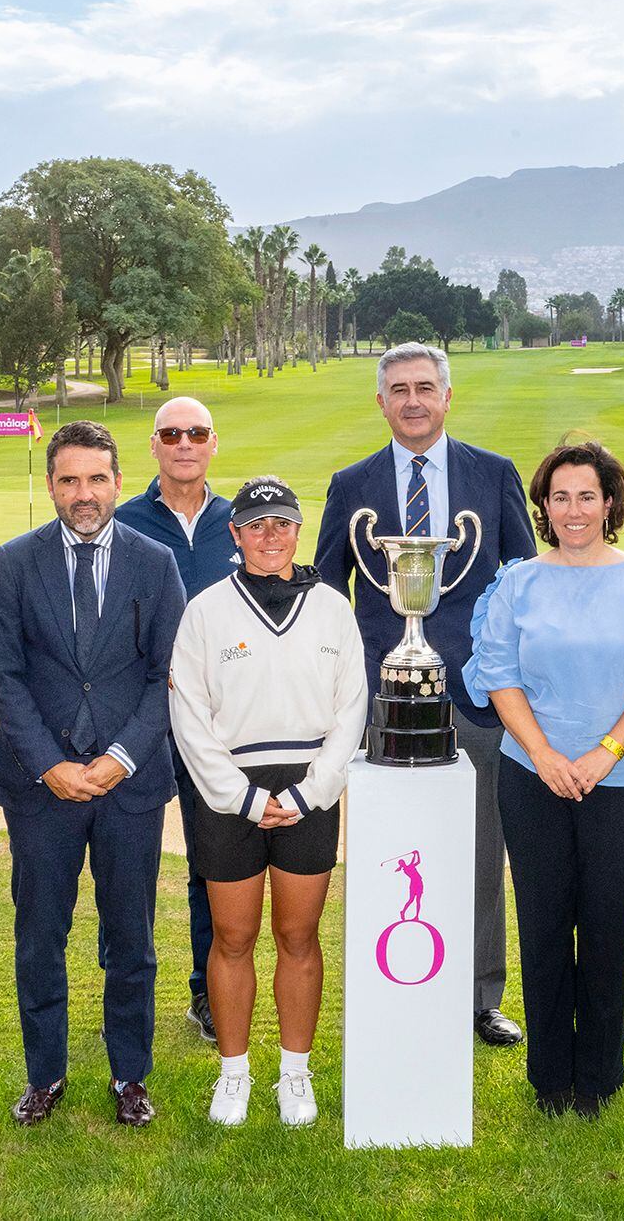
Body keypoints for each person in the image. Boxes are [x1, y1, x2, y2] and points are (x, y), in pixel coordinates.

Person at [315, 341, 539, 1049]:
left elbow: (524, 583)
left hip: (475, 697)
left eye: (424, 387)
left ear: (447, 395)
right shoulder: (350, 484)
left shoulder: (493, 474)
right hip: (381, 699)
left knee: (478, 845)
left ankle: (479, 995)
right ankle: (389, 977)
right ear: (380, 401)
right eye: (398, 389)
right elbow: (326, 590)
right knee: (386, 844)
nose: (412, 400)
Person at [0, 420, 187, 1129]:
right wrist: (52, 766)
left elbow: (168, 674)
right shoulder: (14, 561)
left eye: (97, 478)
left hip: (131, 784)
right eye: (68, 480)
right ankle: (46, 1075)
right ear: (51, 486)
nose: (84, 493)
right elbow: (3, 676)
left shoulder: (154, 562)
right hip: (41, 787)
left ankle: (130, 1074)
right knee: (41, 935)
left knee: (130, 937)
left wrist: (119, 758)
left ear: (119, 482)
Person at [465, 441, 624, 1119]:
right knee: (543, 921)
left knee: (606, 923)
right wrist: (548, 756)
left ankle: (598, 1077)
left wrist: (604, 753)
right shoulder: (517, 583)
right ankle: (550, 1076)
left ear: (610, 502)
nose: (574, 509)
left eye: (587, 495)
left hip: (619, 780)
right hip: (532, 778)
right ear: (544, 507)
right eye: (560, 497)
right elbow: (498, 674)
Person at [168, 476, 368, 1127]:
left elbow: (352, 709)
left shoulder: (334, 608)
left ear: (299, 529)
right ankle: (234, 1076)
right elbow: (189, 715)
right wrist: (243, 797)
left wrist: (312, 791)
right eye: (256, 525)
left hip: (309, 788)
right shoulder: (206, 612)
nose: (270, 536)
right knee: (232, 937)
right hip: (230, 794)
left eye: (282, 523)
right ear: (235, 534)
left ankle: (294, 1072)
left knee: (297, 935)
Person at [113, 396, 239, 1044]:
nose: (184, 443)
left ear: (213, 443)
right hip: (139, 724)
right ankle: (125, 1002)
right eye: (171, 433)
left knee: (210, 864)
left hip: (216, 730)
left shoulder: (241, 523)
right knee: (127, 867)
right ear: (154, 445)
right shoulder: (123, 521)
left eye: (196, 432)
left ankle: (207, 993)